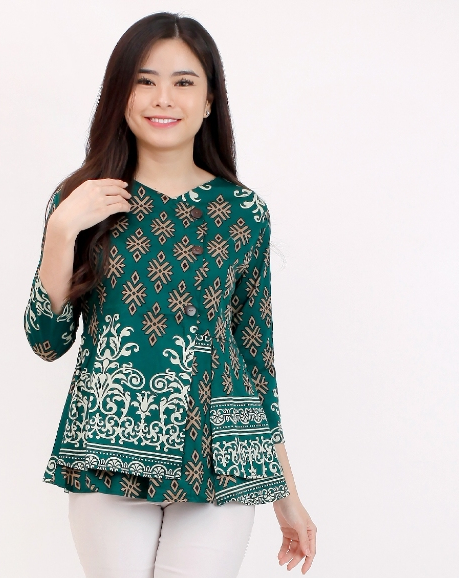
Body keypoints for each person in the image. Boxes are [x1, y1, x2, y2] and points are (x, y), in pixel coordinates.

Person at [24, 11, 317, 578]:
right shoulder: (81, 202)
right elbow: (45, 341)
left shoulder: (243, 212)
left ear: (209, 101)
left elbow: (256, 359)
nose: (164, 98)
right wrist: (61, 231)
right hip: (107, 450)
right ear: (121, 94)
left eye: (184, 82)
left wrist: (287, 496)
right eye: (145, 80)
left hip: (222, 458)